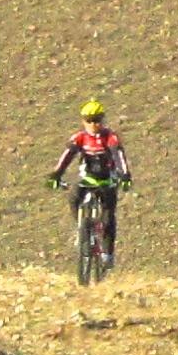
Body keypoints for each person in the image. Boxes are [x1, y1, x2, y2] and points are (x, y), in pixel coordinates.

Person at [49, 99, 131, 266]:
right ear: (83, 121)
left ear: (102, 120)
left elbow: (119, 157)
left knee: (108, 216)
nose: (93, 124)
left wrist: (125, 177)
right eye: (89, 120)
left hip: (107, 179)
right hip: (87, 178)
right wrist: (55, 176)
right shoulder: (80, 138)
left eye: (97, 120)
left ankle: (107, 253)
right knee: (73, 197)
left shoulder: (110, 137)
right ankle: (81, 229)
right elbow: (66, 157)